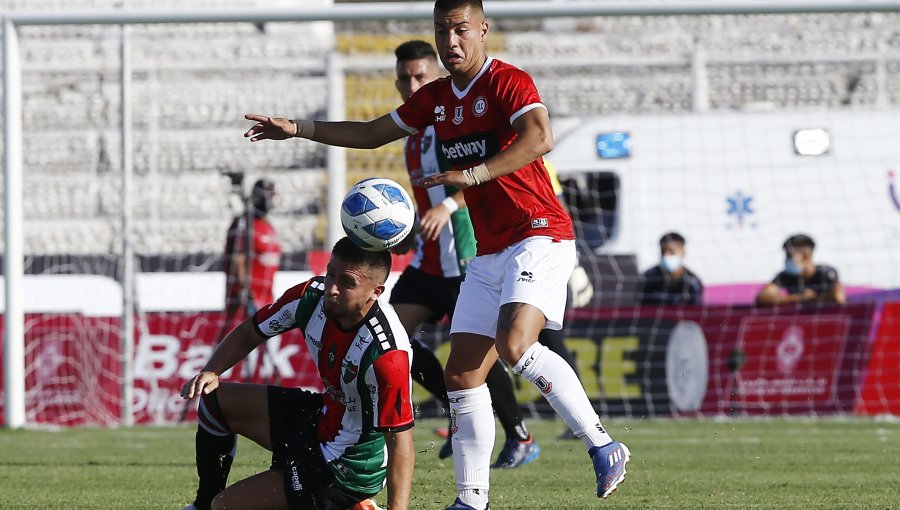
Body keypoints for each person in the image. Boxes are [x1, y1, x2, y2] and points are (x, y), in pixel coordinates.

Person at [242, 1, 630, 507]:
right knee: (462, 374)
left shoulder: (507, 81)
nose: (451, 41)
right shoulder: (438, 98)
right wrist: (298, 128)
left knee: (514, 345)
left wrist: (470, 176)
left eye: (460, 30)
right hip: (491, 252)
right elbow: (370, 132)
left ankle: (602, 444)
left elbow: (540, 137)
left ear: (483, 31)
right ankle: (471, 499)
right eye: (442, 31)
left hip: (540, 232)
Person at [390, 39, 540, 469]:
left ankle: (520, 435)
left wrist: (449, 204)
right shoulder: (412, 135)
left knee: (477, 352)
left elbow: (487, 172)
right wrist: (409, 233)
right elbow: (427, 196)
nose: (412, 84)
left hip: (469, 257)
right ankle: (463, 414)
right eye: (405, 77)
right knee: (393, 337)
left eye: (420, 76)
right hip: (430, 261)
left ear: (433, 76)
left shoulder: (453, 122)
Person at [180, 238, 414, 510]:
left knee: (225, 507)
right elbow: (250, 332)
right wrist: (212, 370)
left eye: (347, 283)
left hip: (348, 464)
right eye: (330, 274)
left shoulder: (387, 355)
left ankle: (352, 502)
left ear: (376, 291)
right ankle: (201, 504)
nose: (332, 289)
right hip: (320, 417)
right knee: (215, 400)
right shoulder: (310, 296)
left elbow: (401, 443)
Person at [221, 178, 282, 339]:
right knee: (238, 344)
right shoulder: (244, 224)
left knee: (268, 349)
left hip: (267, 300)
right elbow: (237, 259)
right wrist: (245, 291)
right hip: (247, 302)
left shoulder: (268, 226)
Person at [756, 233, 846, 306]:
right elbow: (762, 298)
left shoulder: (825, 272)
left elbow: (838, 298)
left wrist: (811, 299)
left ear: (806, 254)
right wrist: (798, 298)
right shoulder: (785, 275)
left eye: (789, 256)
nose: (786, 260)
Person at [637, 232, 704, 306]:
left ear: (683, 252)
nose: (666, 255)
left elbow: (696, 311)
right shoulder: (648, 278)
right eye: (663, 251)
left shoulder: (692, 282)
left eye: (671, 252)